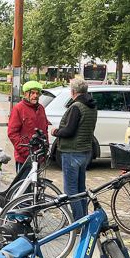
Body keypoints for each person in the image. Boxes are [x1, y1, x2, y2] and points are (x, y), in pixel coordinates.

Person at [52, 78, 97, 222]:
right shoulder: (91, 106)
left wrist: (55, 132)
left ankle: (78, 221)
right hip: (85, 150)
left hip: (72, 151)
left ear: (73, 92)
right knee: (80, 189)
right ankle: (84, 218)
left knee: (71, 190)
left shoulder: (76, 106)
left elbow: (69, 131)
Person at [7, 80, 50, 173]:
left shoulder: (41, 108)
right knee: (23, 185)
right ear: (25, 94)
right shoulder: (18, 108)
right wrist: (24, 151)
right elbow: (12, 133)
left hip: (39, 155)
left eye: (37, 93)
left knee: (36, 186)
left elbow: (45, 129)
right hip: (24, 158)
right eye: (32, 93)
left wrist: (45, 148)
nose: (35, 96)